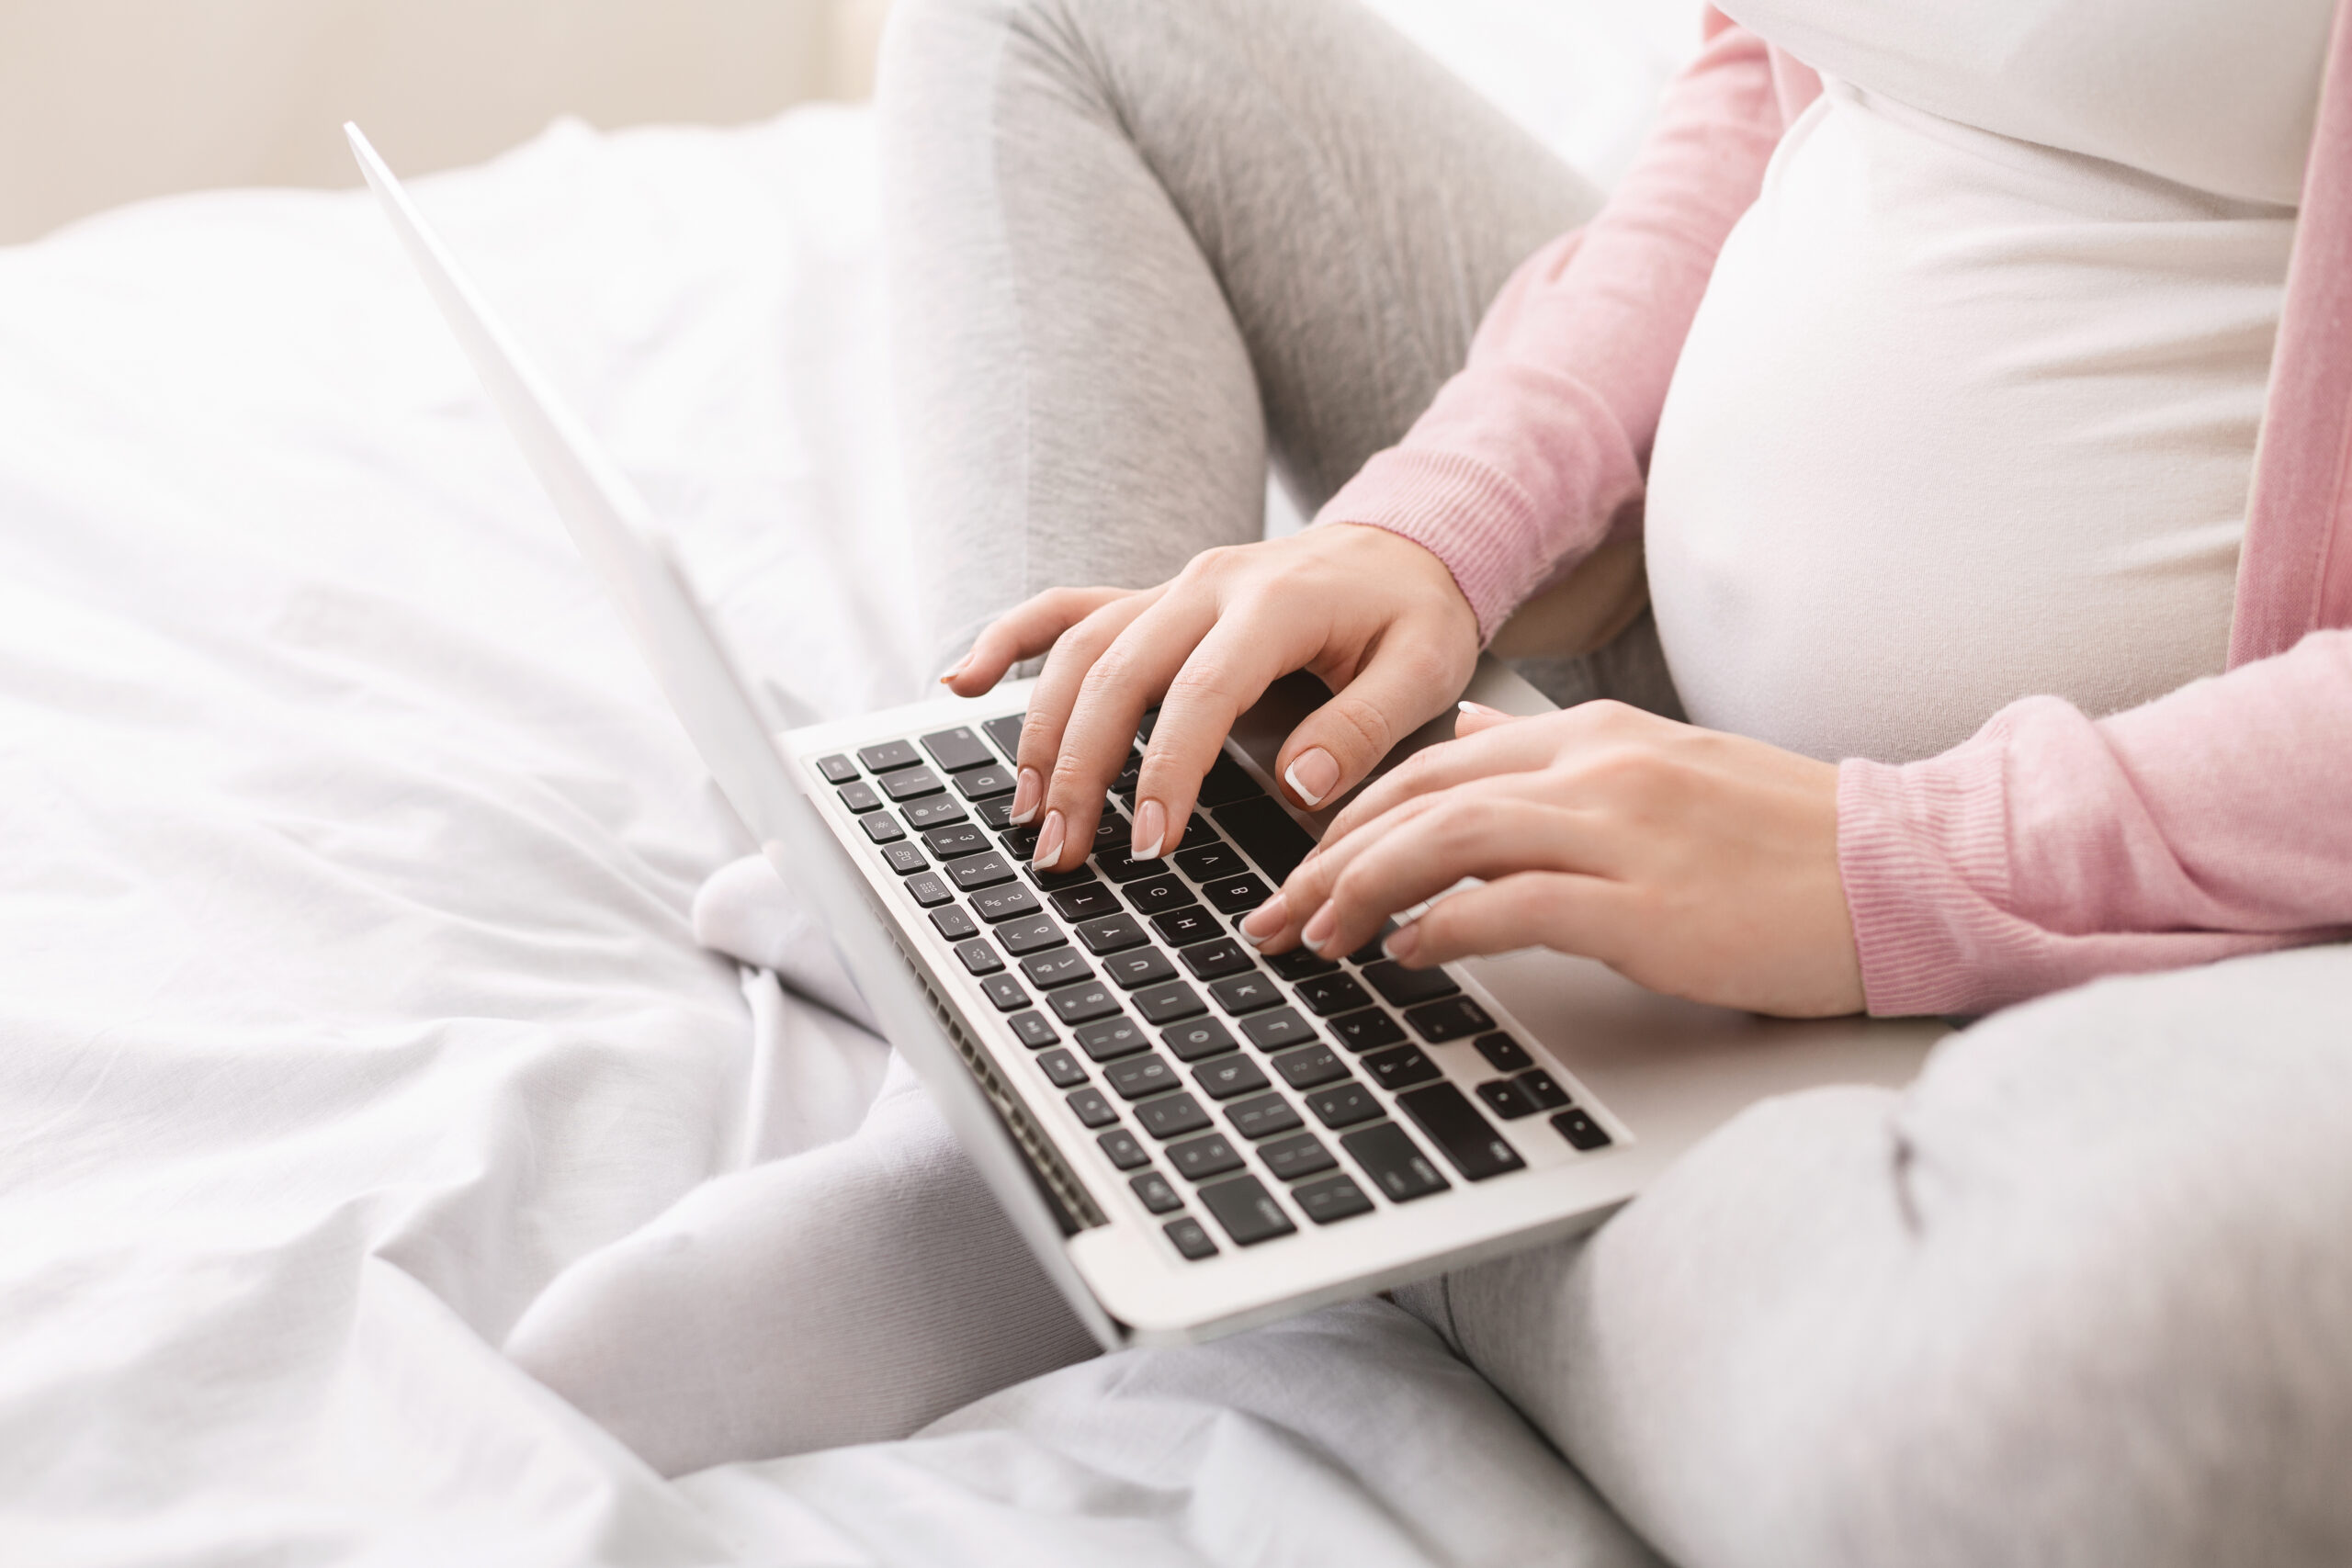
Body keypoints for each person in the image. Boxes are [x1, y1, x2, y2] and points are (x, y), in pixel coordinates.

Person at [508, 1, 2352, 1547]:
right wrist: (1434, 528)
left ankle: (1230, 1115)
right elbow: (1774, 75)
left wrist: (1902, 864)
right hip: (1652, 695)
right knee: (1062, 14)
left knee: (2079, 1410)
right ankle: (1058, 1031)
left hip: (2207, 899)